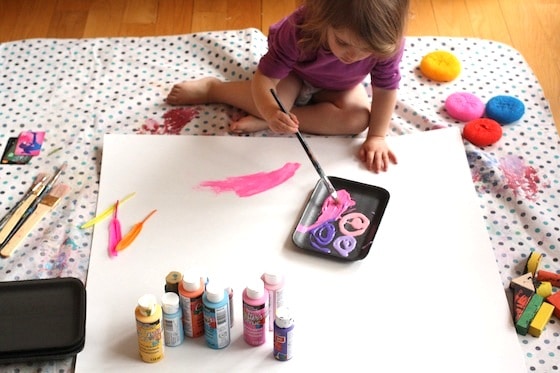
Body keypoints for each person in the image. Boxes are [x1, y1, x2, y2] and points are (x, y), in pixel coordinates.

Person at [166, 0, 410, 173]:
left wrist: (377, 136)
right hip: (294, 74)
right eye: (343, 42)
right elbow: (265, 79)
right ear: (323, 18)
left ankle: (274, 118)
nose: (353, 56)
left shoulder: (386, 41)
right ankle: (214, 89)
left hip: (341, 85)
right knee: (276, 98)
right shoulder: (299, 29)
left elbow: (386, 87)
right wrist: (272, 110)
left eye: (366, 50)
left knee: (358, 120)